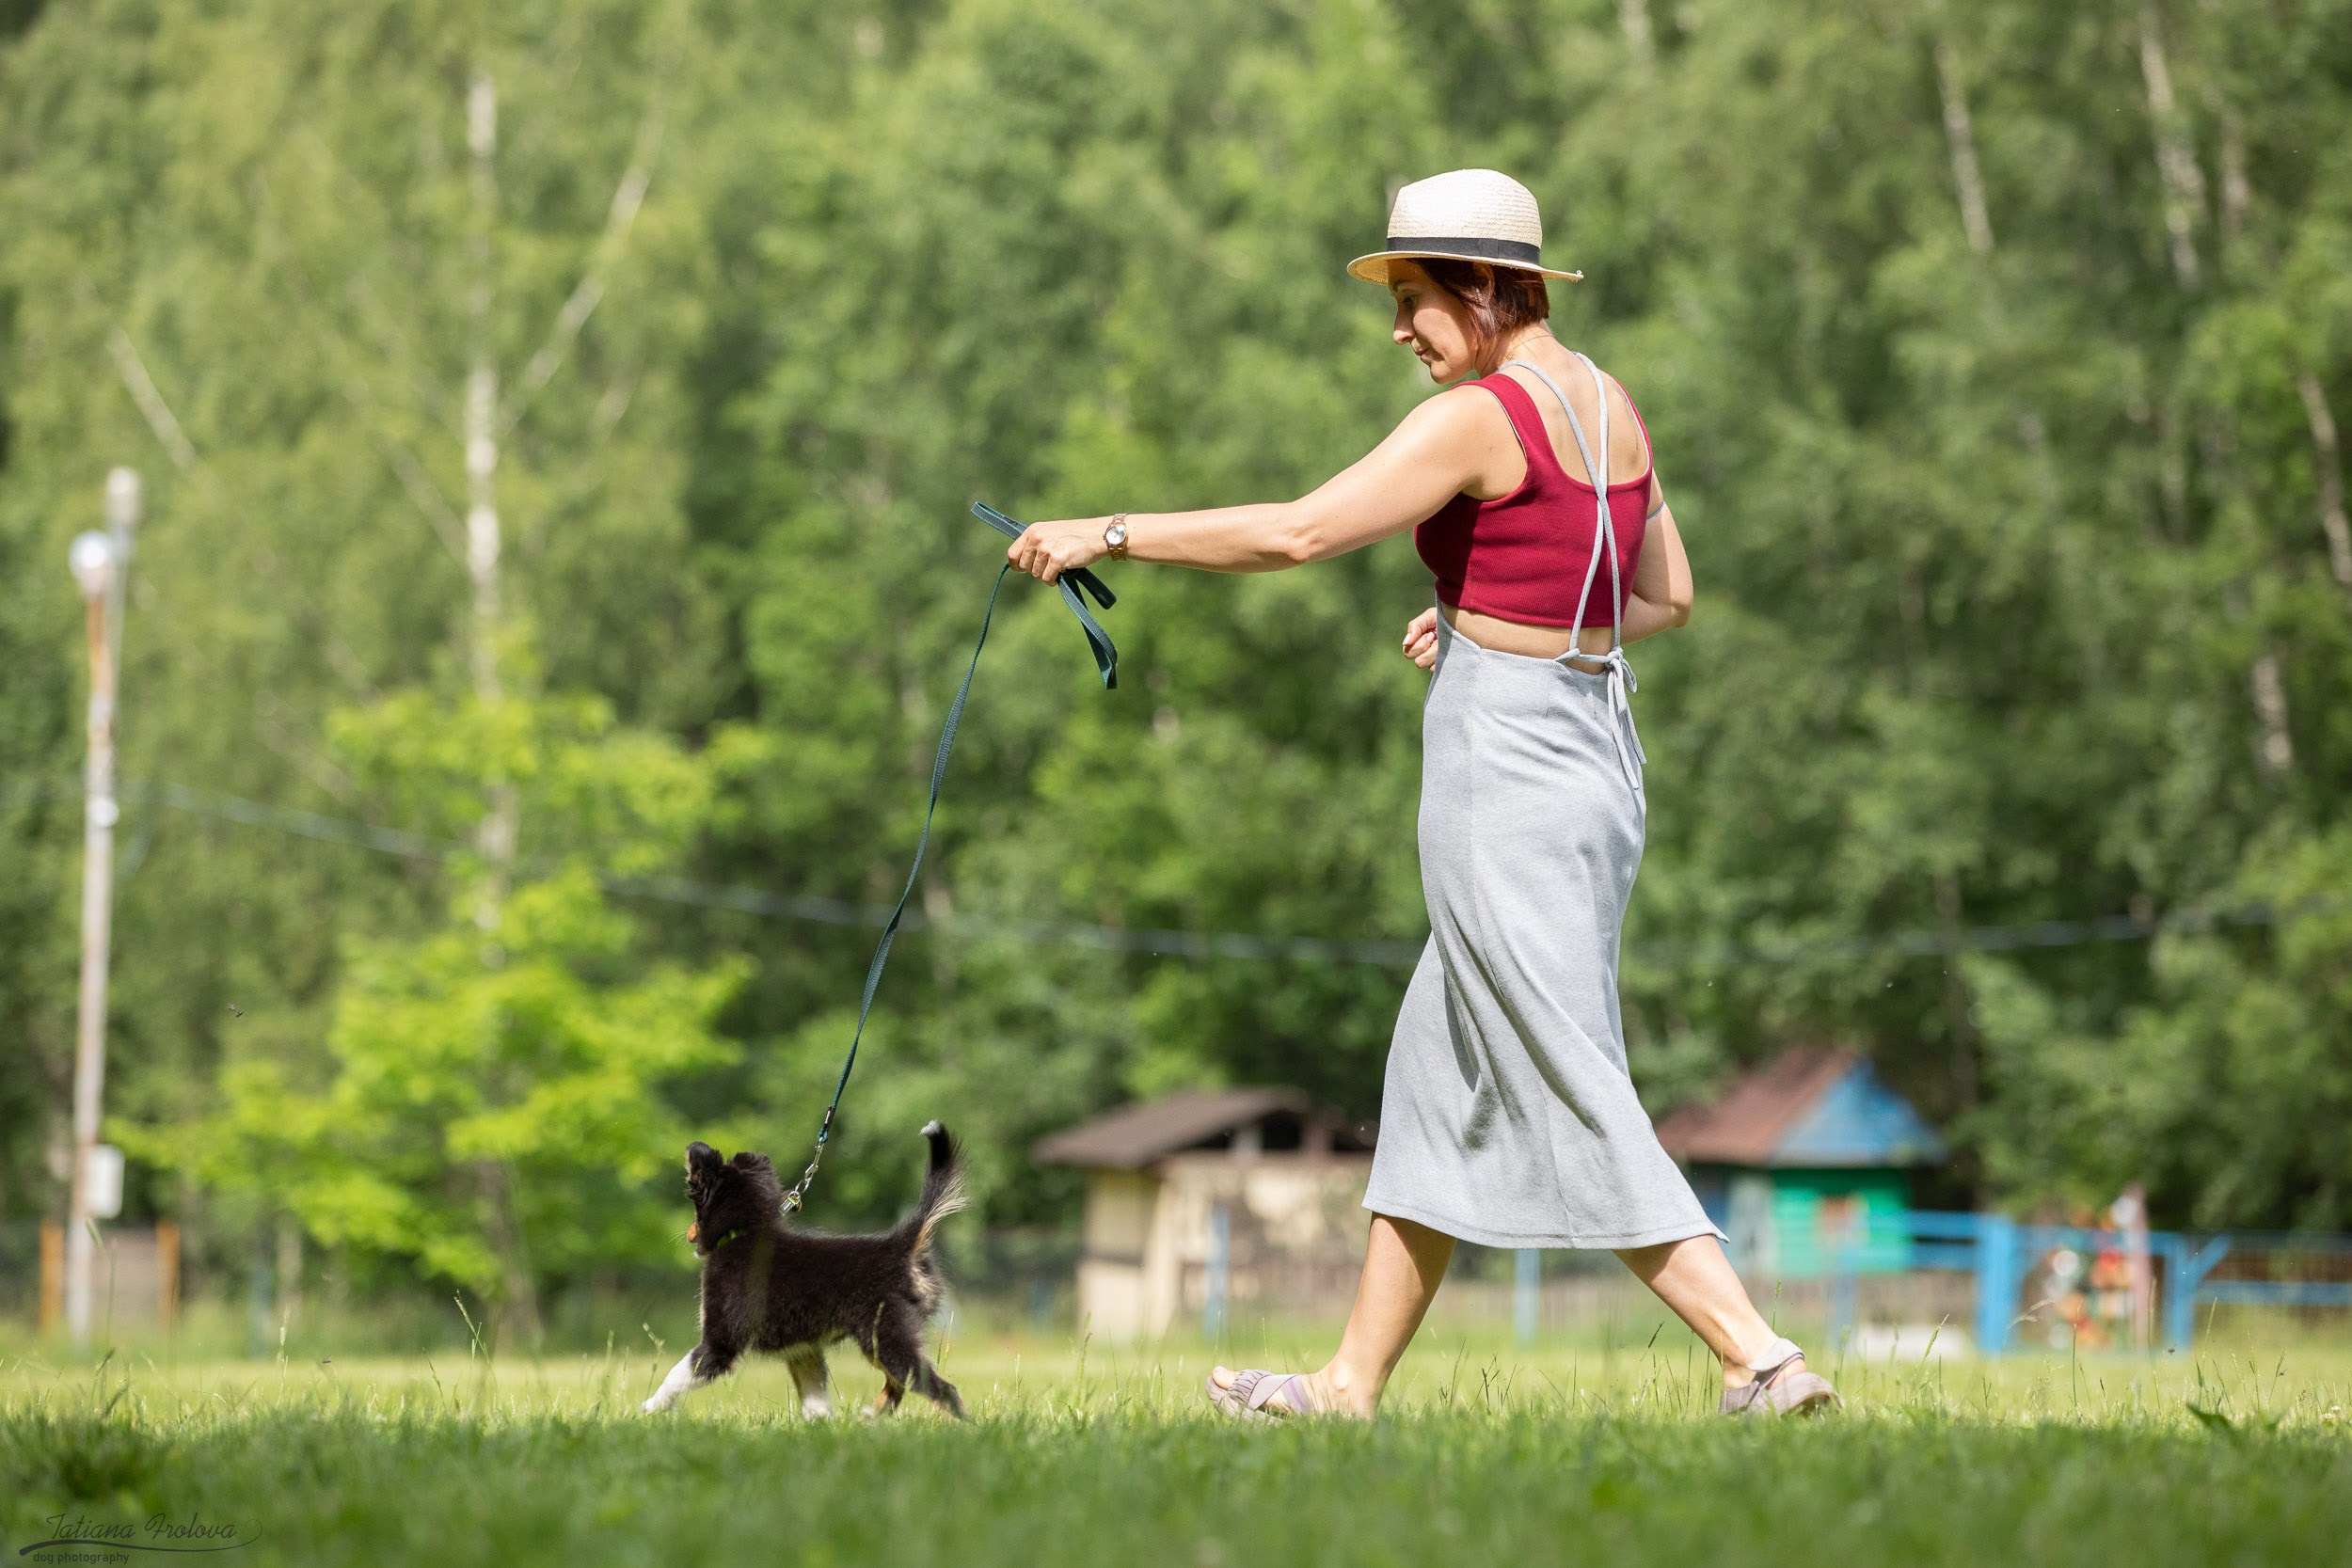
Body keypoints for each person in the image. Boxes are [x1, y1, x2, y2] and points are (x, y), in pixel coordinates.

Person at [1007, 168, 1836, 1419]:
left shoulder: (1480, 418)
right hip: (1595, 757)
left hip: (1502, 770)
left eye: (1415, 298)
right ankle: (1350, 1384)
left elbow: (1298, 533)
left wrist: (1105, 532)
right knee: (1438, 1077)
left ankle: (1756, 1355)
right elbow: (1659, 599)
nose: (1400, 328)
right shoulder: (1611, 403)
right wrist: (1482, 618)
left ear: (1488, 291)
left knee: (1563, 1063)